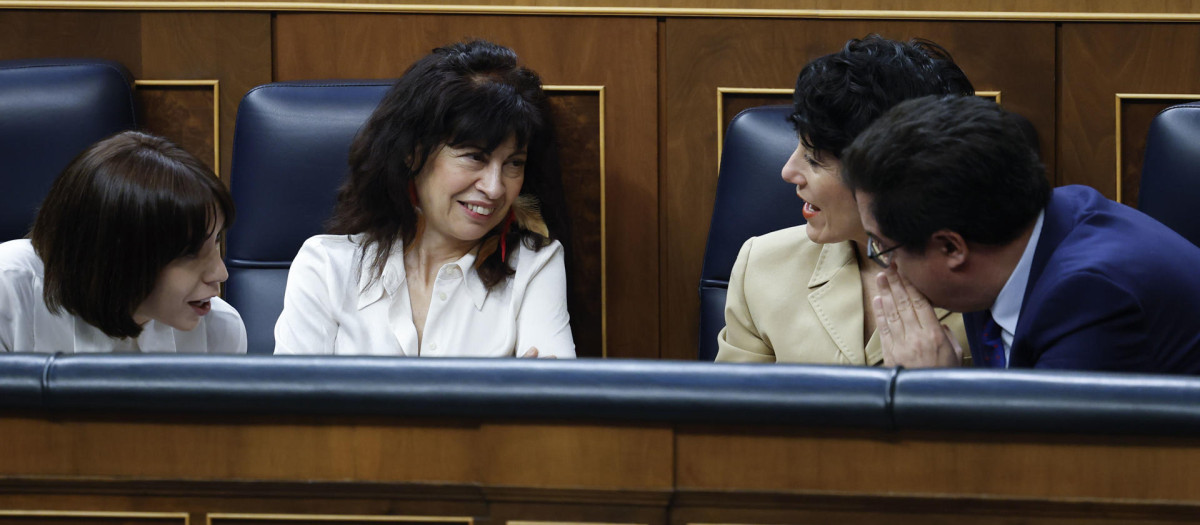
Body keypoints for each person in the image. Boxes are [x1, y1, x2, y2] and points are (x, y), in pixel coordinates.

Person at [843, 95, 1200, 372]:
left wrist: (930, 395)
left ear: (951, 248)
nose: (886, 269)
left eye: (885, 247)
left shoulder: (1091, 296)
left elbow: (1051, 463)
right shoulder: (1000, 256)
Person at [274, 40, 575, 357]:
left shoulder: (535, 264)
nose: (495, 187)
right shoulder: (326, 266)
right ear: (412, 153)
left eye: (514, 163)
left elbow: (552, 403)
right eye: (475, 157)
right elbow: (292, 404)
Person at [715, 35, 972, 364]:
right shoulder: (762, 265)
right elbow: (733, 411)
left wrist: (938, 396)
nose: (787, 172)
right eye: (799, 147)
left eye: (814, 159)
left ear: (892, 171)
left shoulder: (986, 285)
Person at [0, 131, 246, 353]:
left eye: (216, 241)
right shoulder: (8, 290)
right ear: (117, 255)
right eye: (191, 252)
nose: (220, 273)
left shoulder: (222, 330)